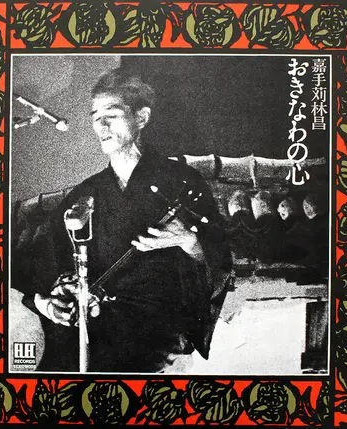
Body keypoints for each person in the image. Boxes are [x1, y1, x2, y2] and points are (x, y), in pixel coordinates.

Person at [18, 68, 232, 372]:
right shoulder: (86, 192)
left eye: (112, 115)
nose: (101, 125)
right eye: (95, 117)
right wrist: (48, 301)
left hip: (155, 331)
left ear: (141, 118)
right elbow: (45, 258)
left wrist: (190, 242)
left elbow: (220, 259)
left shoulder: (183, 181)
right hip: (91, 325)